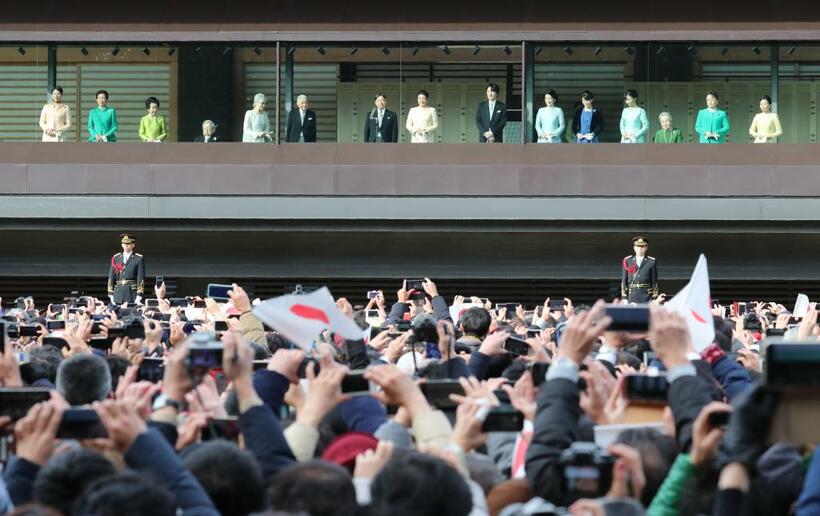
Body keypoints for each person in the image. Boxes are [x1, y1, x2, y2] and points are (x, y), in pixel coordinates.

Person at [107, 233, 145, 304]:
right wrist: (110, 294)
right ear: (122, 244)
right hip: (118, 293)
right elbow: (111, 277)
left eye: (128, 244)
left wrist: (139, 295)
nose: (126, 245)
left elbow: (140, 277)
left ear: (133, 245)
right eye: (124, 243)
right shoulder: (116, 258)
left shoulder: (138, 258)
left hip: (131, 293)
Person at [620, 236, 658, 303]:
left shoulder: (651, 262)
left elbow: (654, 281)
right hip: (632, 296)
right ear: (634, 247)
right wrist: (624, 297)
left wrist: (654, 298)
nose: (640, 248)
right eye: (638, 246)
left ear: (646, 248)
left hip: (646, 296)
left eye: (642, 246)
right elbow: (624, 281)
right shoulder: (628, 261)